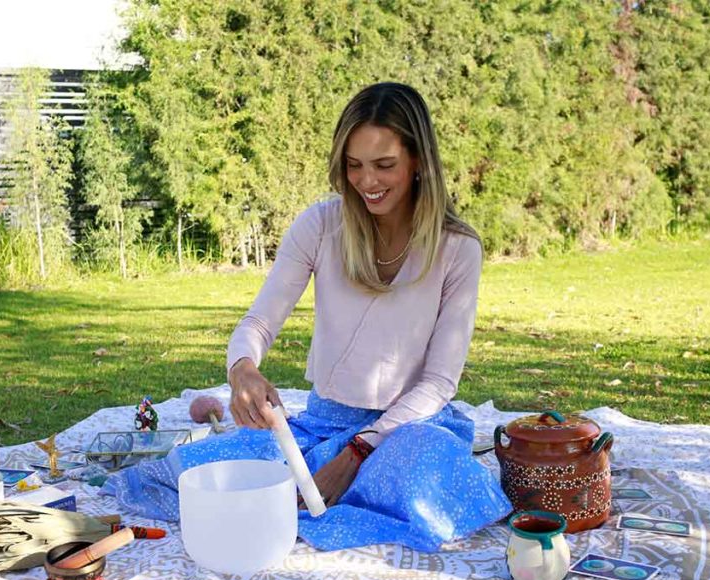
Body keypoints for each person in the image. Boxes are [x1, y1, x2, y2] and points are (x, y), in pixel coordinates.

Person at [103, 82, 511, 551]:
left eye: (384, 165)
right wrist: (243, 370)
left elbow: (439, 382)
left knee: (421, 473)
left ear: (419, 161)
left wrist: (360, 450)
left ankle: (337, 493)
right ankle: (335, 497)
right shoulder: (319, 226)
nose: (367, 182)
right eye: (353, 166)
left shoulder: (458, 247)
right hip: (320, 426)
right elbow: (258, 323)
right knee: (202, 473)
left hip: (409, 431)